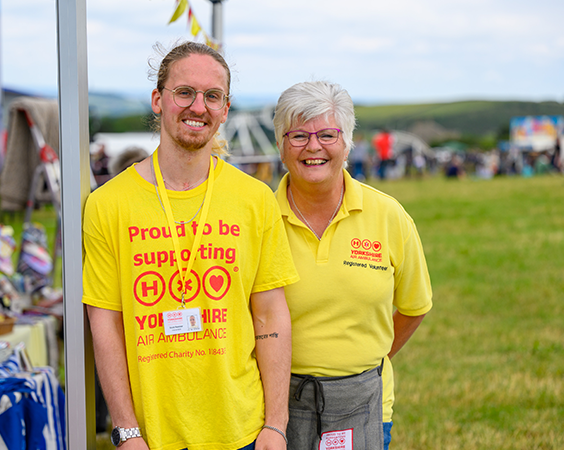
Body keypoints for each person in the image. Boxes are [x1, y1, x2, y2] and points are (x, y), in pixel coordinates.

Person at [82, 41, 299, 450]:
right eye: (185, 92)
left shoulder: (254, 199)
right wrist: (126, 431)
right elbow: (105, 322)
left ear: (225, 109)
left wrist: (276, 424)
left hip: (242, 431)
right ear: (158, 100)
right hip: (152, 435)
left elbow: (270, 313)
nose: (198, 106)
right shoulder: (108, 204)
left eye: (212, 96)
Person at [272, 81, 433, 450]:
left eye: (327, 134)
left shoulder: (388, 215)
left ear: (347, 143)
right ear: (280, 146)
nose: (313, 147)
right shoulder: (258, 219)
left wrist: (363, 360)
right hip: (275, 407)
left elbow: (414, 307)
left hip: (364, 402)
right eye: (297, 136)